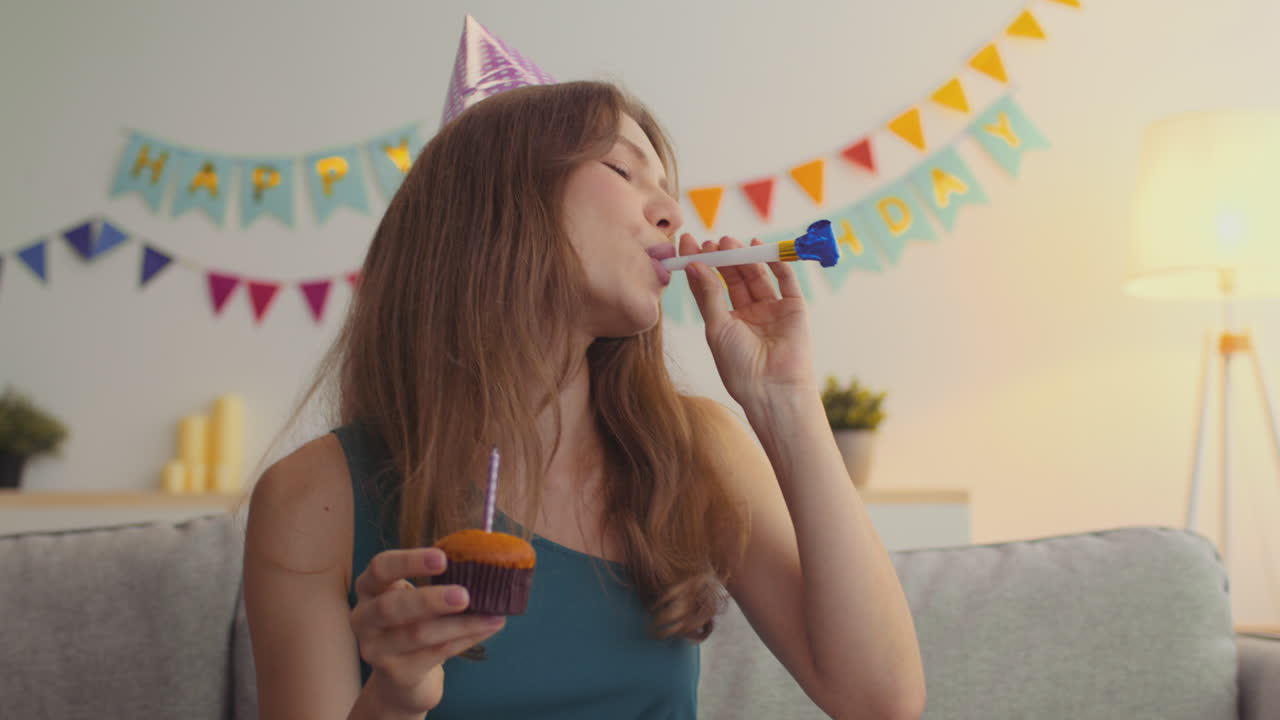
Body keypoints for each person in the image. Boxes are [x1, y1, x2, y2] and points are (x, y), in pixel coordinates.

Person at [243, 79, 925, 719]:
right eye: (623, 172)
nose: (672, 212)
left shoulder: (695, 449)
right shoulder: (312, 497)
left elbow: (879, 700)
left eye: (666, 187)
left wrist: (786, 400)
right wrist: (395, 696)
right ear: (497, 205)